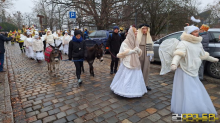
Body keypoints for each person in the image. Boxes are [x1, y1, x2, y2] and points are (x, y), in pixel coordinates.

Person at [170, 25, 218, 116]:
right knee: (183, 89)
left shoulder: (199, 43)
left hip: (194, 69)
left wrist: (212, 59)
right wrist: (174, 63)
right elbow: (178, 54)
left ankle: (195, 107)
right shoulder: (183, 43)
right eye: (195, 31)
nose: (197, 33)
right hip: (184, 69)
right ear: (190, 33)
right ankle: (185, 108)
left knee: (194, 88)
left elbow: (203, 55)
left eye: (197, 31)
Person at [110, 27, 147, 98]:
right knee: (126, 76)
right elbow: (120, 54)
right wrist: (131, 51)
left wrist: (139, 51)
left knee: (136, 77)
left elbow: (139, 53)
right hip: (127, 62)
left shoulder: (136, 41)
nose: (136, 33)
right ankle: (125, 91)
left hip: (135, 61)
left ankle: (136, 91)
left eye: (136, 31)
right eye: (135, 32)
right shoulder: (125, 42)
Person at [137, 24, 154, 91]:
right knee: (139, 68)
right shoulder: (137, 36)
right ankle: (138, 83)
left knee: (146, 68)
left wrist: (151, 56)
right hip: (139, 52)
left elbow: (151, 46)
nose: (144, 30)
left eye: (146, 29)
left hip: (147, 52)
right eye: (143, 28)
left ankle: (145, 84)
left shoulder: (149, 36)